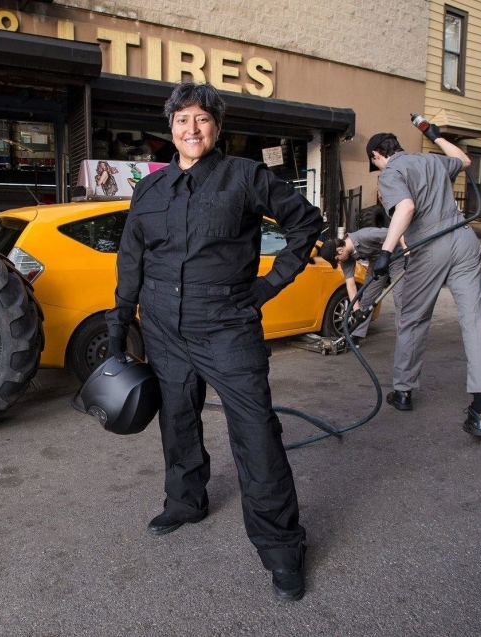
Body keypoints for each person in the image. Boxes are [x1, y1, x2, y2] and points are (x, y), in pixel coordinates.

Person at [105, 82, 323, 601]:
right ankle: (185, 502)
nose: (192, 129)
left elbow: (305, 222)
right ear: (171, 129)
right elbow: (131, 259)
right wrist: (120, 325)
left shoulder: (245, 177)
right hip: (161, 323)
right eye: (182, 120)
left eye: (202, 119)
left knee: (256, 434)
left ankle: (281, 548)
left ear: (217, 128)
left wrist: (267, 287)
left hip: (227, 322)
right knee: (177, 418)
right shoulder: (149, 191)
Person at [367, 123, 481, 440]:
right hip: (466, 242)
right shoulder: (432, 160)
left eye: (373, 163)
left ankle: (403, 393)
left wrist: (385, 251)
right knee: (475, 320)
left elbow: (407, 207)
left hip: (429, 247)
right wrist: (435, 135)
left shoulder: (389, 174)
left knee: (412, 320)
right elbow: (464, 160)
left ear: (377, 155)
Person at [319, 227, 406, 342]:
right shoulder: (346, 258)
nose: (339, 262)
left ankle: (405, 336)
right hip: (377, 262)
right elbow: (350, 285)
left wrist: (407, 252)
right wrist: (357, 311)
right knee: (367, 298)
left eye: (337, 259)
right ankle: (356, 335)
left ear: (340, 250)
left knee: (400, 296)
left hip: (396, 255)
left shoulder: (365, 236)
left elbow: (398, 233)